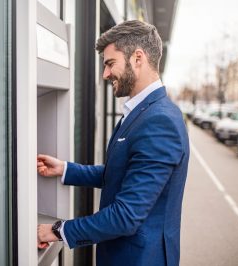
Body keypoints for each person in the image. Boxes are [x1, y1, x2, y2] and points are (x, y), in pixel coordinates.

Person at [37, 20, 189, 266]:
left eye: (110, 64)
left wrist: (56, 230)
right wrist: (66, 169)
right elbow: (123, 175)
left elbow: (126, 216)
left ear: (137, 58)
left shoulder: (159, 121)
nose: (105, 74)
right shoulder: (144, 111)